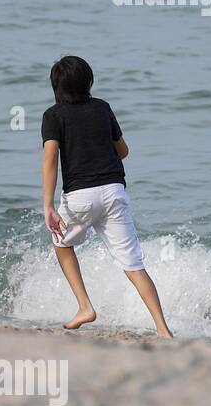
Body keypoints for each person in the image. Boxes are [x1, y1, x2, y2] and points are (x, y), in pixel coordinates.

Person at [40, 55, 173, 337]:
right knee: (134, 265)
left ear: (57, 87)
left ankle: (85, 306)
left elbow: (50, 159)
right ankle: (163, 329)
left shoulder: (53, 116)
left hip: (79, 197)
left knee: (61, 243)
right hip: (114, 192)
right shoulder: (102, 108)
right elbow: (123, 151)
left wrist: (47, 205)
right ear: (88, 81)